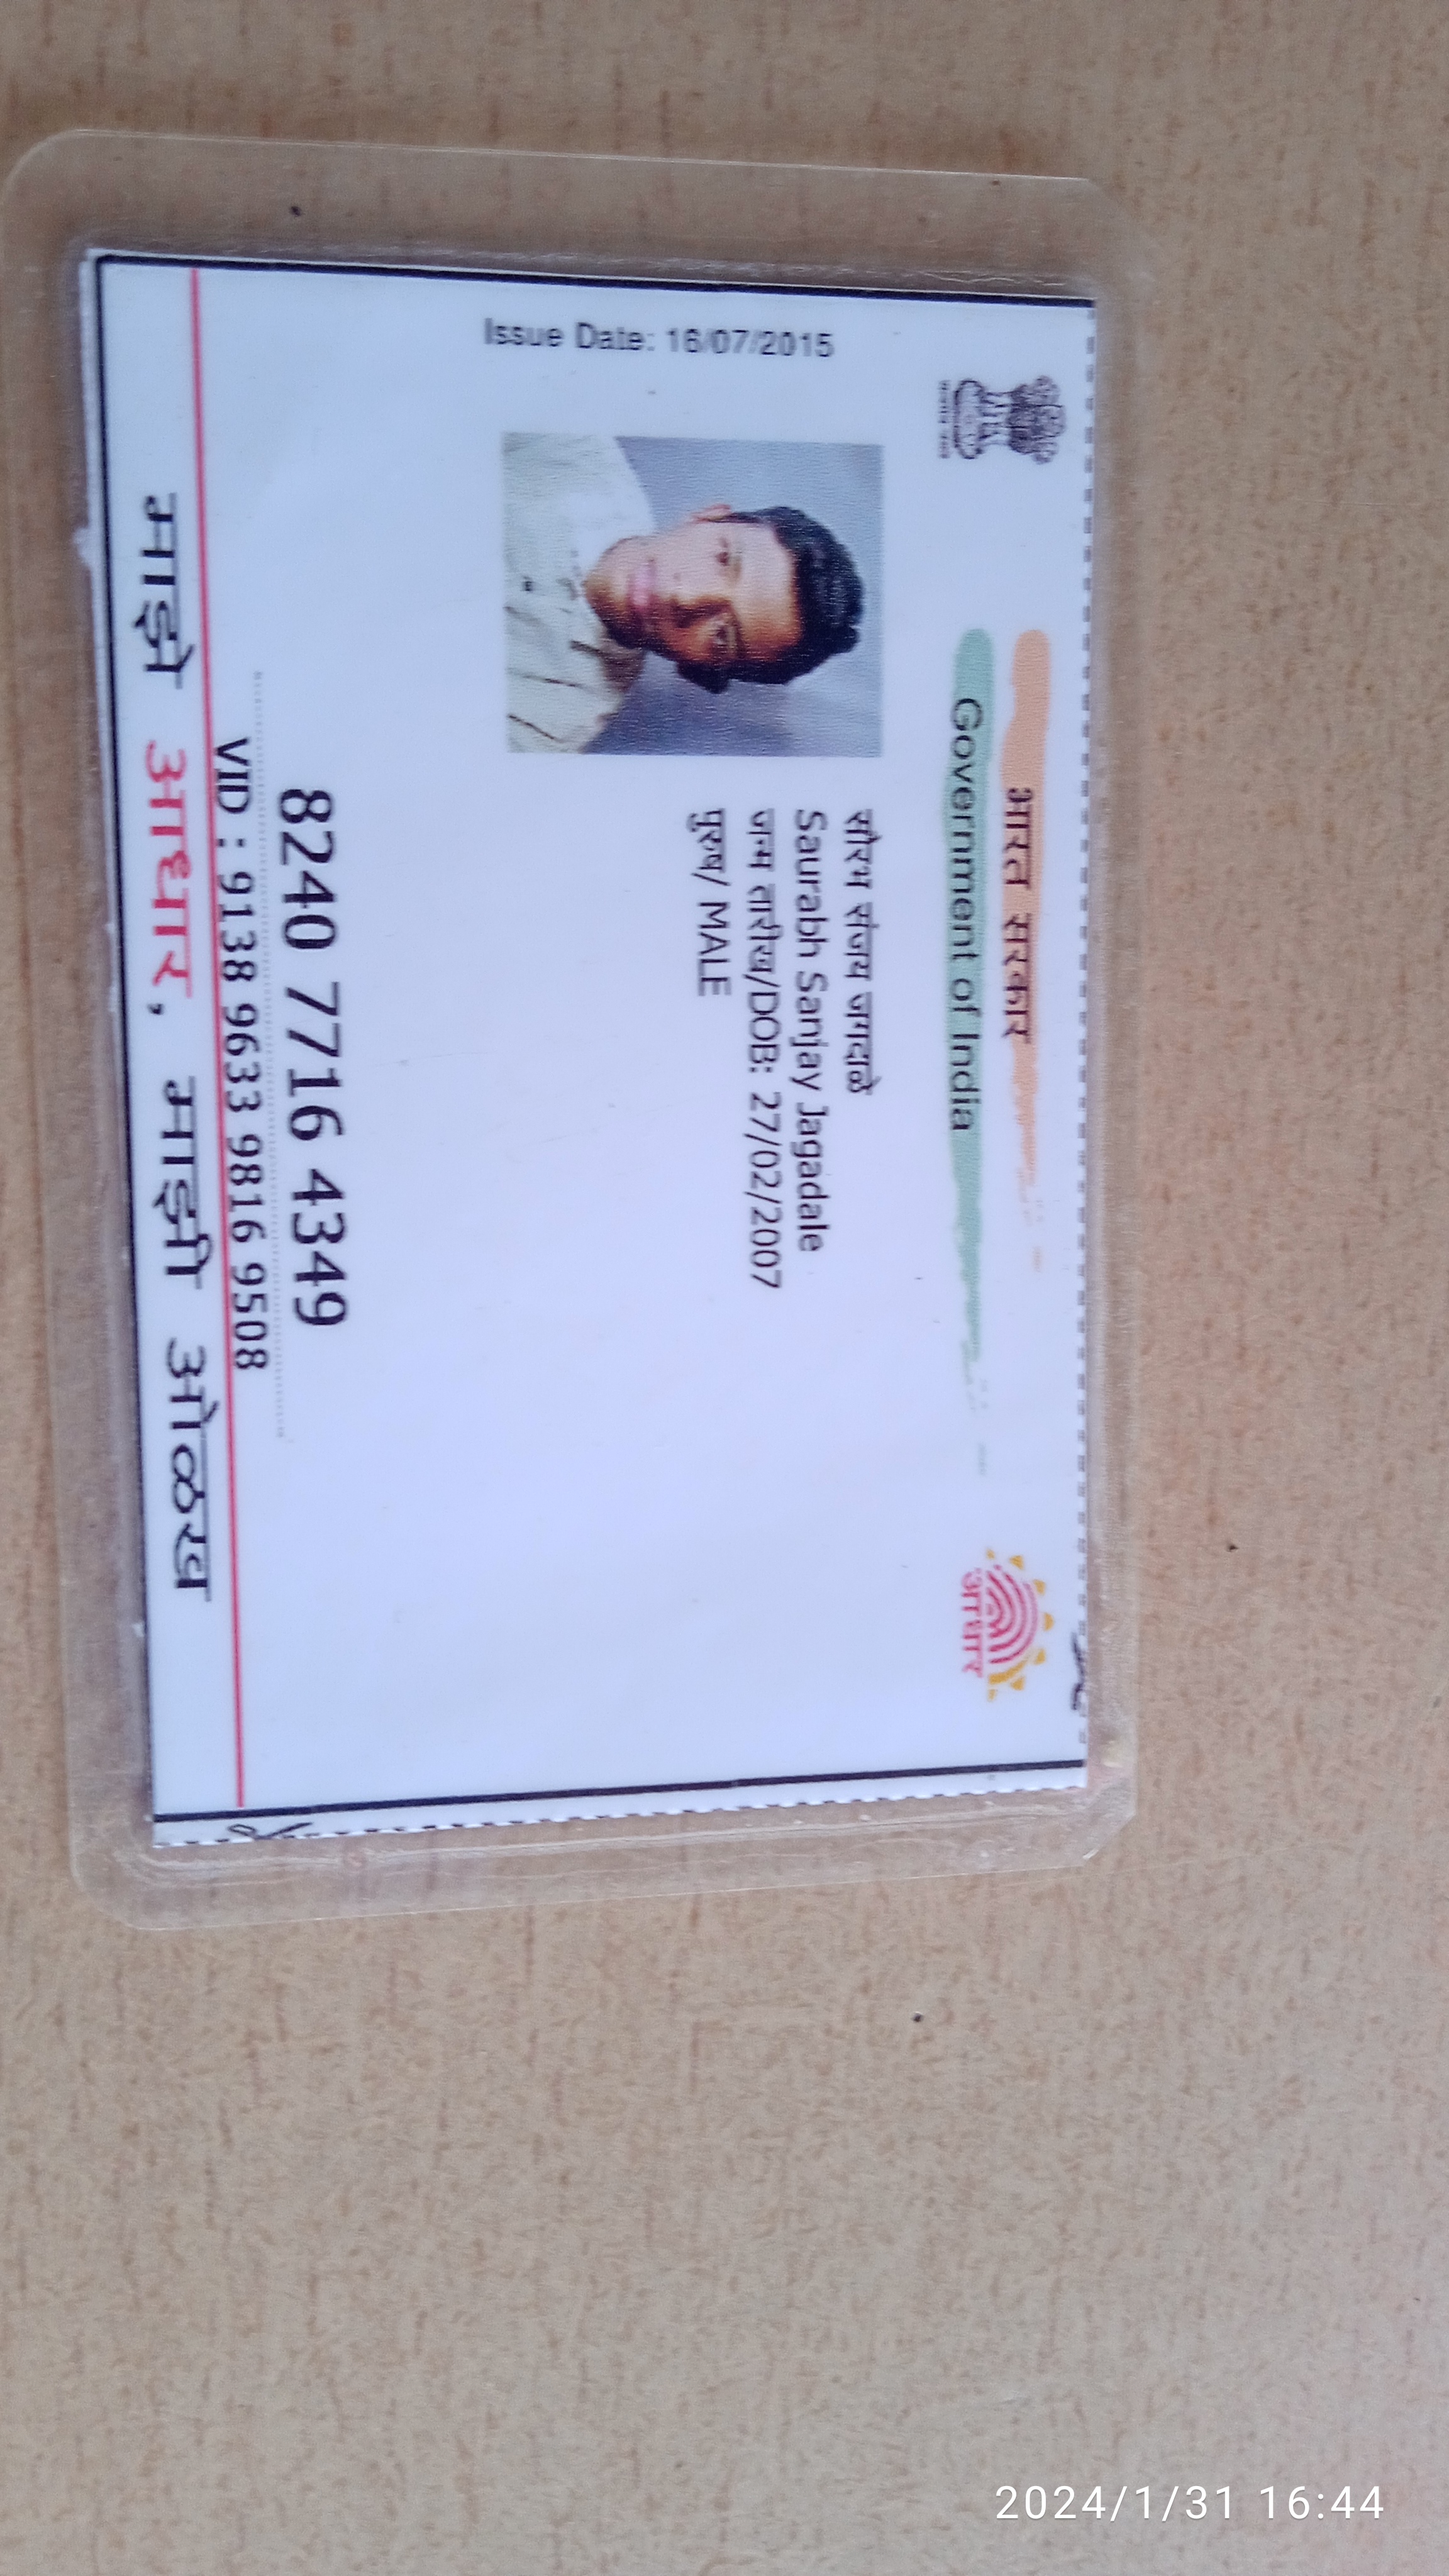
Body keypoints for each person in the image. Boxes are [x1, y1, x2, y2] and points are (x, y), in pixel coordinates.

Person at [504, 433, 865, 753]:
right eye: (723, 558)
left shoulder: (550, 732)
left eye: (722, 636)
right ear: (708, 516)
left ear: (700, 669)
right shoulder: (571, 445)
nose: (684, 597)